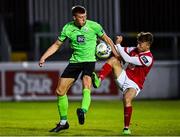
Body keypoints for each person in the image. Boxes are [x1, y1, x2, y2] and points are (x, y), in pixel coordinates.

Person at [39, 5, 116, 132]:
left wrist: (117, 54)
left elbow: (107, 39)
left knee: (86, 82)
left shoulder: (94, 26)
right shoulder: (68, 28)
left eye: (85, 16)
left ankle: (83, 110)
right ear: (74, 17)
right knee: (59, 91)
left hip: (89, 60)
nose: (84, 19)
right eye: (80, 17)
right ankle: (63, 122)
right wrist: (44, 57)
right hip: (75, 61)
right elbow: (57, 44)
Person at [92, 32, 154, 135]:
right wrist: (102, 43)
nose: (138, 44)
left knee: (127, 98)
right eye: (138, 42)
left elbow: (128, 59)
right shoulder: (133, 49)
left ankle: (126, 128)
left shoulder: (148, 58)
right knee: (113, 59)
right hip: (124, 76)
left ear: (148, 45)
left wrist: (118, 44)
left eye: (141, 43)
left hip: (134, 84)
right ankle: (99, 79)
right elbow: (118, 52)